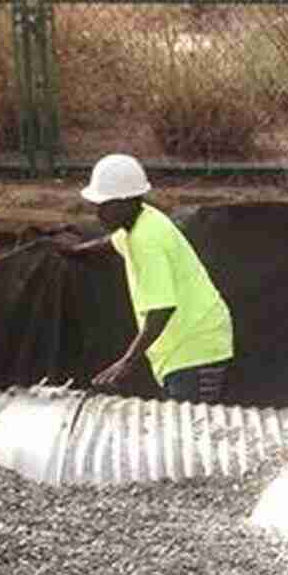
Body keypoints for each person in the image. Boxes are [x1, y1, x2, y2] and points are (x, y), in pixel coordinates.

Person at [60, 153, 234, 402]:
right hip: (188, 347)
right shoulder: (141, 221)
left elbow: (162, 308)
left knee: (187, 429)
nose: (98, 212)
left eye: (104, 205)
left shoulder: (147, 240)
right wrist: (75, 251)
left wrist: (126, 362)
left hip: (195, 350)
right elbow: (113, 242)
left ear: (126, 202)